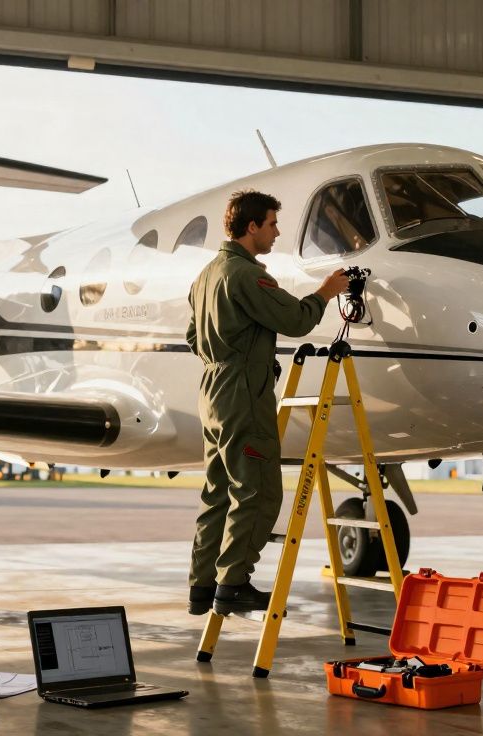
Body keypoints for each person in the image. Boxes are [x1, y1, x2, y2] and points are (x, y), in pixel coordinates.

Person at [185, 189, 350, 615]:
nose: (277, 232)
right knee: (257, 492)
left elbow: (192, 337)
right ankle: (233, 583)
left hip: (213, 392)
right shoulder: (245, 275)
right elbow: (294, 319)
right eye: (272, 224)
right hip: (243, 395)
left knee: (218, 494)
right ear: (252, 225)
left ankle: (202, 588)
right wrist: (326, 292)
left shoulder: (205, 276)